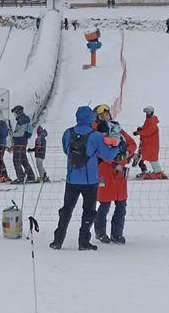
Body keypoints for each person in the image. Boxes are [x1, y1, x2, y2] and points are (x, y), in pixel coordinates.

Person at [49, 106, 119, 251]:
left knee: (66, 210)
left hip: (72, 179)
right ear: (90, 118)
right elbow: (107, 156)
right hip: (90, 180)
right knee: (88, 211)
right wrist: (117, 147)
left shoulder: (68, 133)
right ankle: (83, 241)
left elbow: (65, 150)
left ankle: (58, 240)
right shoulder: (96, 136)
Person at [92, 104, 137, 245]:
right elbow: (99, 152)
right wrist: (115, 158)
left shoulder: (117, 128)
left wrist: (126, 153)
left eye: (107, 114)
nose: (106, 117)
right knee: (104, 205)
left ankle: (117, 234)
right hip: (105, 172)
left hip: (119, 174)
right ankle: (100, 232)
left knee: (121, 206)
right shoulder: (96, 132)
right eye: (102, 115)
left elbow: (132, 143)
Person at [134, 106, 166, 179]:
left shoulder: (152, 123)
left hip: (151, 145)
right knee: (143, 158)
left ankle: (158, 172)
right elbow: (146, 129)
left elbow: (148, 132)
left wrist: (139, 132)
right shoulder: (148, 120)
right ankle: (144, 171)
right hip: (147, 144)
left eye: (148, 112)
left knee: (153, 159)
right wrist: (141, 130)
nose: (147, 114)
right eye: (146, 113)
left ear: (152, 112)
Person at [10, 105, 36, 184]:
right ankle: (30, 175)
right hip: (23, 142)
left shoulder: (22, 120)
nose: (14, 114)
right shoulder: (24, 119)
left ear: (18, 112)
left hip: (19, 142)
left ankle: (20, 177)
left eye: (15, 112)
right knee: (23, 159)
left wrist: (12, 134)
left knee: (16, 160)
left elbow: (21, 133)